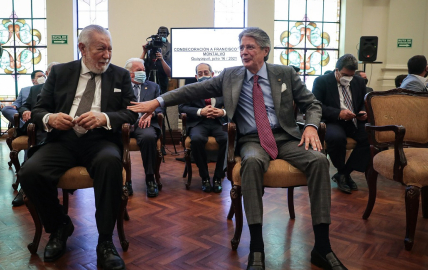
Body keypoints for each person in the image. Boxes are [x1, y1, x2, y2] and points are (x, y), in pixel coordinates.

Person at [129, 27, 346, 270]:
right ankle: (256, 248)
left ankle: (322, 248)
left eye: (250, 47)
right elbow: (192, 90)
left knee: (319, 161)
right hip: (252, 139)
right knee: (251, 163)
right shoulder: (230, 76)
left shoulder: (284, 73)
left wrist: (311, 127)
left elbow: (312, 104)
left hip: (286, 138)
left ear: (265, 50)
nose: (244, 51)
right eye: (241, 47)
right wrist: (157, 101)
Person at [18, 25, 137, 269]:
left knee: (109, 164)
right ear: (82, 48)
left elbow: (130, 113)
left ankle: (105, 240)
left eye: (110, 49)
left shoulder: (120, 75)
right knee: (29, 172)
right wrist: (50, 118)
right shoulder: (61, 72)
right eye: (100, 49)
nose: (106, 55)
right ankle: (59, 226)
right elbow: (39, 109)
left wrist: (104, 118)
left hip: (101, 140)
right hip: (63, 139)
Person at [313, 54, 370, 195]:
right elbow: (316, 105)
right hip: (333, 120)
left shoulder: (358, 82)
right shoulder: (322, 81)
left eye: (350, 75)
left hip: (354, 120)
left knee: (371, 138)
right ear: (337, 70)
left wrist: (363, 111)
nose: (348, 78)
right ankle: (343, 173)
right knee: (336, 138)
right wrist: (338, 113)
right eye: (345, 74)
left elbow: (363, 102)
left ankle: (343, 173)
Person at [11, 62, 60, 207]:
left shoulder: (70, 90)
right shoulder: (35, 89)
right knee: (37, 141)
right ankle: (26, 187)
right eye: (53, 72)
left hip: (62, 128)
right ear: (48, 73)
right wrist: (25, 110)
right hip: (39, 127)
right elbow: (24, 105)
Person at [178, 63, 227, 193]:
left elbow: (233, 106)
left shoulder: (222, 88)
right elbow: (181, 107)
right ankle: (204, 177)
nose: (203, 76)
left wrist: (222, 112)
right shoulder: (190, 89)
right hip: (198, 123)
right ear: (196, 76)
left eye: (206, 73)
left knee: (227, 140)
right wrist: (200, 111)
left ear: (212, 75)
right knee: (197, 139)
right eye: (200, 74)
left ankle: (218, 177)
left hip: (218, 122)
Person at [124, 58, 163, 198]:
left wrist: (151, 113)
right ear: (129, 74)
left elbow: (161, 108)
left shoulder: (153, 87)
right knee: (113, 139)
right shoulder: (121, 86)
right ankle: (125, 180)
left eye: (144, 70)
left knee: (148, 137)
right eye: (139, 70)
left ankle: (150, 178)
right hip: (125, 123)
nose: (143, 73)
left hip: (145, 123)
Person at [140, 26, 172, 94]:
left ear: (167, 34)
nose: (162, 35)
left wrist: (161, 59)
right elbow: (140, 63)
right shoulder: (151, 44)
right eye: (160, 33)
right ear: (158, 34)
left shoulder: (170, 46)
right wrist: (145, 51)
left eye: (164, 33)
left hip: (163, 75)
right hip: (149, 74)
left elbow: (169, 69)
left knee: (162, 95)